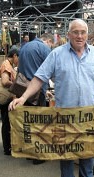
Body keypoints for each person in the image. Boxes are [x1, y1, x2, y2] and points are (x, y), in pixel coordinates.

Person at [8, 19, 94, 177]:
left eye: (82, 32)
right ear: (69, 34)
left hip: (88, 113)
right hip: (64, 114)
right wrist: (23, 98)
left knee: (88, 149)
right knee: (65, 151)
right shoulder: (56, 54)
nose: (79, 36)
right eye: (75, 32)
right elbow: (39, 78)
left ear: (87, 34)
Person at [18, 32, 55, 165]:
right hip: (37, 90)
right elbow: (50, 69)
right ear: (48, 41)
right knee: (40, 123)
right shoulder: (43, 48)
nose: (51, 47)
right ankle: (38, 156)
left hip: (24, 89)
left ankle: (29, 152)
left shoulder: (24, 47)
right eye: (51, 44)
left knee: (28, 123)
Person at [0, 46, 19, 155]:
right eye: (18, 58)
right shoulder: (6, 65)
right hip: (6, 99)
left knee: (7, 122)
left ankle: (9, 146)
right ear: (15, 55)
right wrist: (17, 85)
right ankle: (7, 148)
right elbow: (5, 81)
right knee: (6, 122)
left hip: (9, 98)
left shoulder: (9, 65)